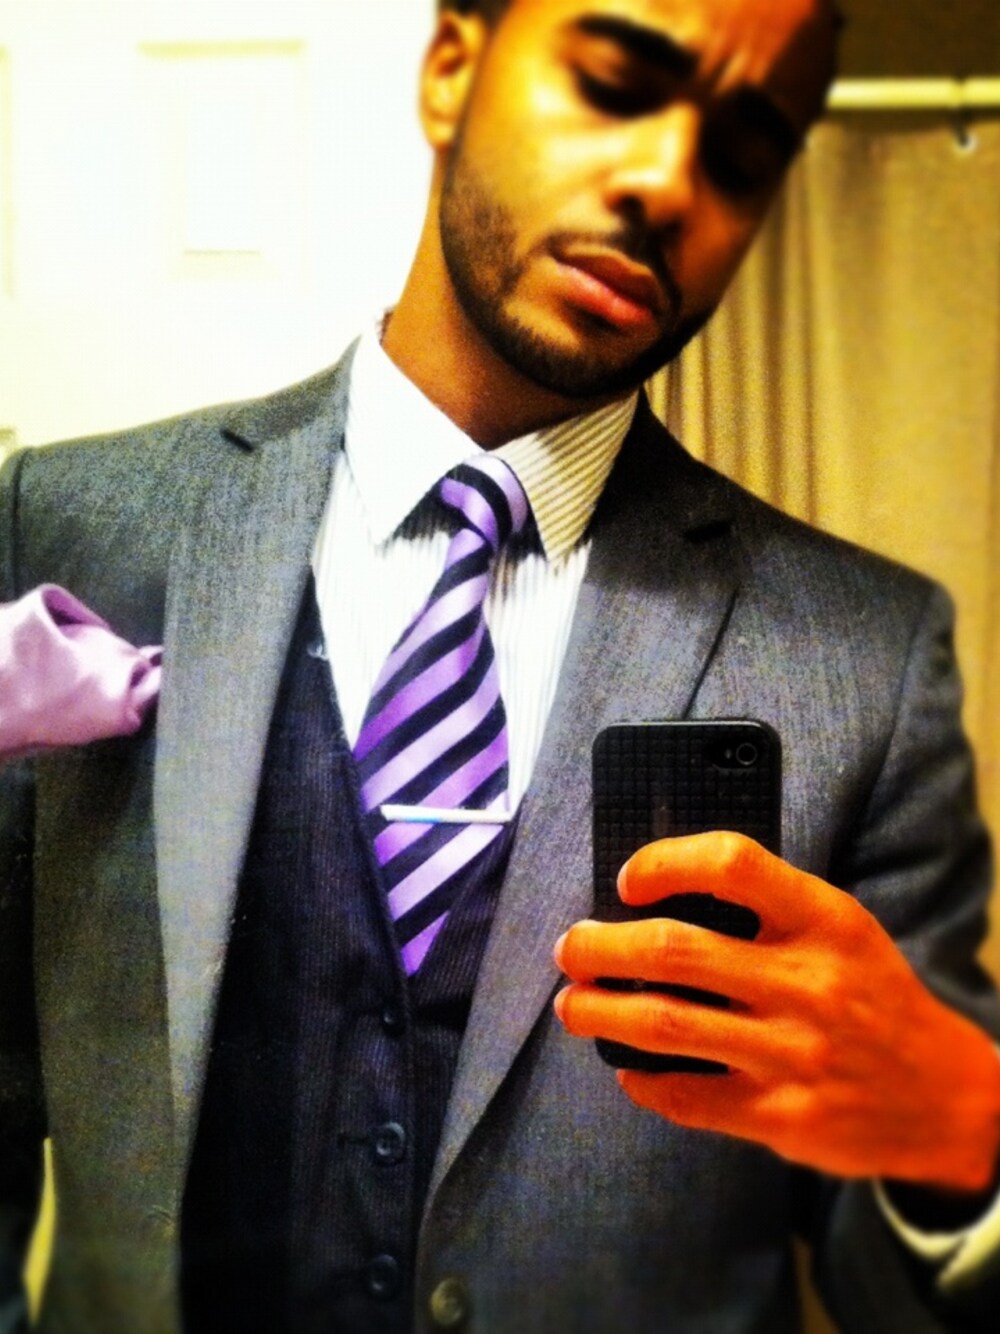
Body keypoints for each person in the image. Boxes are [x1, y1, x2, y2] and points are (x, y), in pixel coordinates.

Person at [1, 0, 999, 1330]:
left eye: (745, 151)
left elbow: (897, 1290)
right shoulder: (71, 528)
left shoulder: (867, 655)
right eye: (616, 79)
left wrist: (966, 1141)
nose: (669, 182)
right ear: (453, 67)